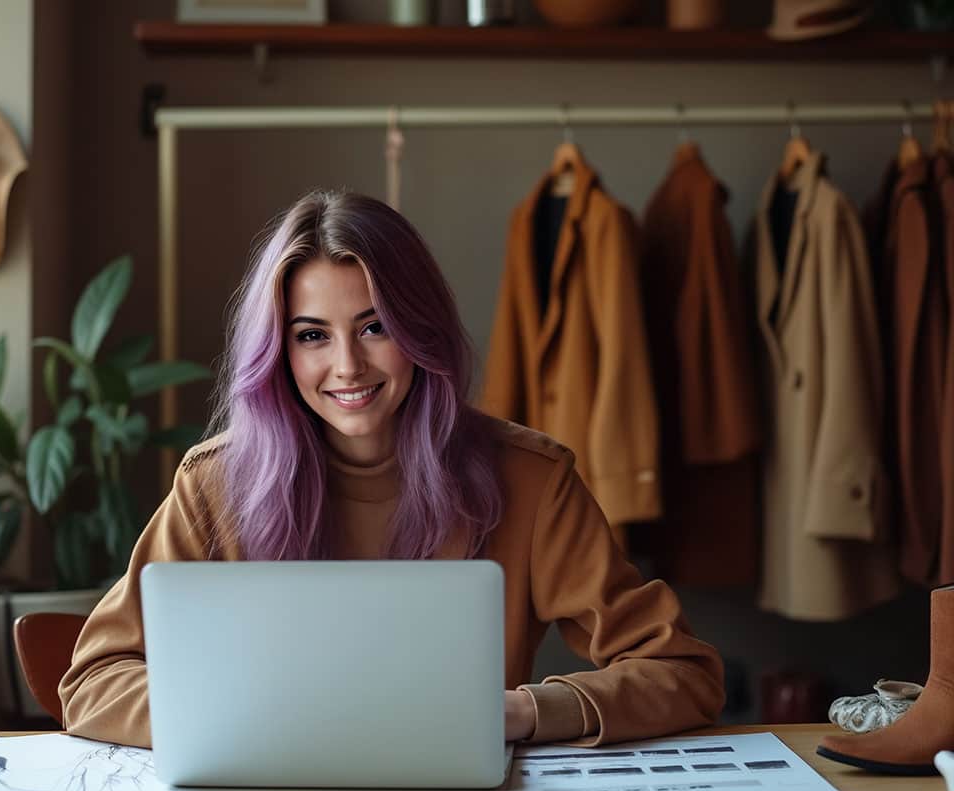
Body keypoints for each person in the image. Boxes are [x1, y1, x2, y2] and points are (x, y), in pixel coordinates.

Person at [59, 190, 724, 748]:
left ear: (420, 329)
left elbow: (682, 672)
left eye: (375, 327)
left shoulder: (532, 479)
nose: (348, 366)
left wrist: (522, 712)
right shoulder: (213, 484)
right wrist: (249, 720)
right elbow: (93, 682)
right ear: (279, 352)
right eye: (312, 335)